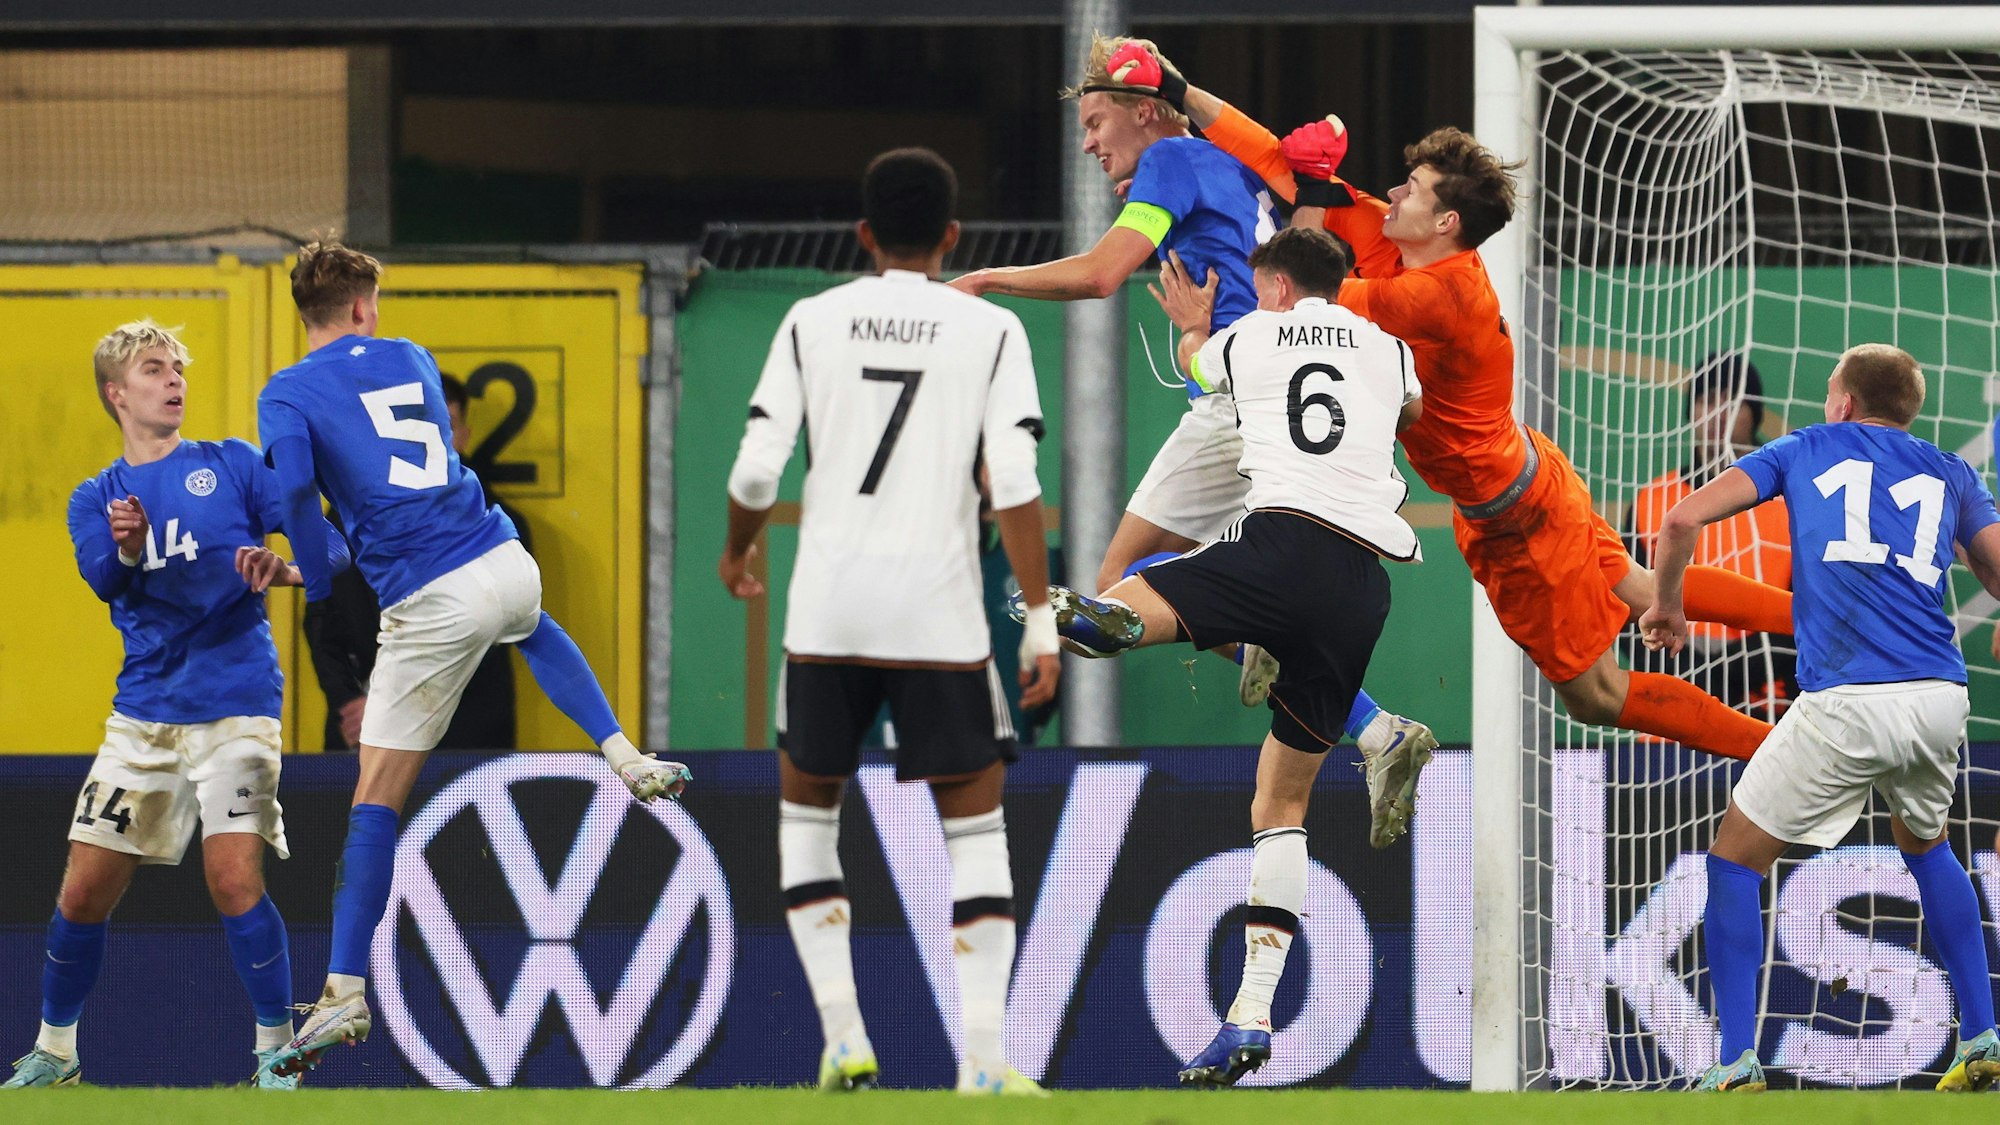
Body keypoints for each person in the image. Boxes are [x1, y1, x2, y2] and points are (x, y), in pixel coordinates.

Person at [1138, 49, 1795, 761]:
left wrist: (1200, 331)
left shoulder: (1438, 295)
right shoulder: (1401, 243)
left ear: (1446, 219)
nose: (1394, 192)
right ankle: (1817, 616)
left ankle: (1780, 757)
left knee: (1599, 696)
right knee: (1639, 586)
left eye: (1413, 188)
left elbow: (1299, 298)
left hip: (1516, 521)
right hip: (1530, 477)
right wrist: (1180, 89)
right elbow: (1281, 164)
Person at [953, 34, 1436, 845]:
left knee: (1118, 582)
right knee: (1230, 593)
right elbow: (1293, 248)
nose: (1088, 142)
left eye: (1097, 121)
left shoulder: (1172, 160)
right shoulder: (1235, 168)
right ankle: (1360, 718)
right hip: (1298, 408)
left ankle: (1334, 697)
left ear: (1147, 112)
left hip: (1235, 397)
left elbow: (1103, 273)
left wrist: (985, 278)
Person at [258, 239, 691, 1077]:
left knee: (373, 801)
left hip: (428, 596)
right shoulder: (411, 356)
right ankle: (624, 754)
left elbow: (299, 490)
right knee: (532, 624)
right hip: (499, 554)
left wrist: (314, 574)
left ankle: (343, 990)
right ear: (362, 306)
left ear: (307, 311)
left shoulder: (287, 390)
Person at [1019, 226, 1421, 1085]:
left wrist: (1195, 327)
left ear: (1274, 288)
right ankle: (1249, 1014)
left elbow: (1199, 370)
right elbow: (1412, 413)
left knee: (1133, 585)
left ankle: (1110, 620)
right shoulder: (1389, 350)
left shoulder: (1255, 333)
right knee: (1281, 804)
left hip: (1278, 546)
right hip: (1363, 582)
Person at [721, 148, 1059, 1096]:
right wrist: (1039, 620)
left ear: (863, 234)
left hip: (827, 612)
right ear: (954, 235)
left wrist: (736, 550)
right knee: (975, 831)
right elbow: (1015, 481)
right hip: (939, 614)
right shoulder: (991, 329)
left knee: (808, 816)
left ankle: (842, 1037)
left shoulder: (810, 320)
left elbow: (755, 471)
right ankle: (982, 1059)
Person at [1642, 344, 2000, 1093]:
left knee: (1734, 859)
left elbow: (1678, 520)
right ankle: (1981, 1037)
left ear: (1843, 402)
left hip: (1847, 698)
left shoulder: (1805, 447)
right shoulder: (1951, 471)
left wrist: (1667, 604)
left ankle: (1735, 1060)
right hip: (1939, 697)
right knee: (1927, 844)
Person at [6, 320, 351, 1090]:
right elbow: (105, 578)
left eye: (177, 369)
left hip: (236, 702)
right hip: (143, 715)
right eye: (154, 369)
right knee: (82, 890)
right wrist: (129, 547)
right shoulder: (95, 496)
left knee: (232, 876)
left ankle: (276, 1052)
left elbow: (333, 545)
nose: (173, 381)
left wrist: (287, 568)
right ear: (116, 393)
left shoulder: (232, 464)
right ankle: (56, 1052)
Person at [303, 371, 529, 752]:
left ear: (464, 436)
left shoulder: (501, 526)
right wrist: (348, 701)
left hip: (467, 734)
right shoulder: (346, 517)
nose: (434, 436)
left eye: (446, 424)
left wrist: (393, 702)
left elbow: (493, 628)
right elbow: (321, 622)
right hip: (364, 727)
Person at [1626, 353, 1795, 717]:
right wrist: (1689, 676)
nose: (1718, 414)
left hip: (1769, 709)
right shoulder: (1652, 501)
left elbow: (1809, 615)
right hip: (1673, 712)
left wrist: (1731, 674)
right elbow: (1626, 611)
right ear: (1692, 411)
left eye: (1731, 401)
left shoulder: (1792, 503)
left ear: (1754, 413)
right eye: (1706, 400)